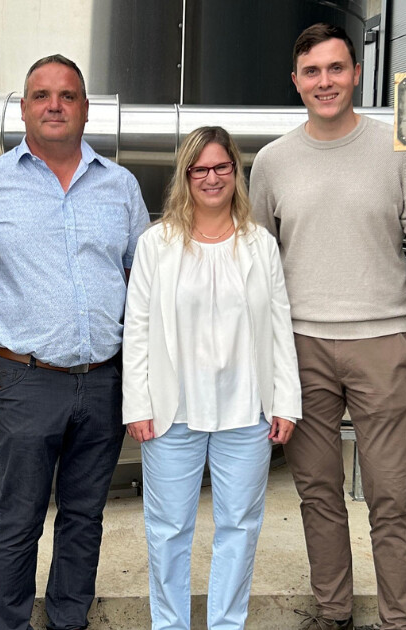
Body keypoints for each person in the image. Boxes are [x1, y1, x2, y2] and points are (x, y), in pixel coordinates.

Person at [248, 23, 406, 630]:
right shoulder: (271, 163)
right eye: (313, 72)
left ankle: (400, 621)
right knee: (317, 493)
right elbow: (258, 266)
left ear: (355, 74)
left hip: (381, 341)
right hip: (301, 347)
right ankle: (333, 613)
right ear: (296, 82)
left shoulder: (399, 150)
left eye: (337, 69)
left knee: (393, 495)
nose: (326, 82)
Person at [0, 54, 149, 630]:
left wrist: (145, 373)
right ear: (23, 108)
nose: (55, 105)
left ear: (84, 108)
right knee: (20, 517)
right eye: (41, 95)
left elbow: (144, 282)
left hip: (105, 379)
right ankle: (12, 623)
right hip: (24, 380)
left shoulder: (120, 186)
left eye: (67, 95)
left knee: (84, 516)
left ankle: (69, 620)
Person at [121, 126, 301, 630]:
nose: (211, 177)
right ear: (185, 176)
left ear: (236, 173)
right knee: (169, 528)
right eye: (200, 168)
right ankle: (171, 624)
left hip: (247, 412)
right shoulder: (156, 244)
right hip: (170, 412)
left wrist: (286, 401)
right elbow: (136, 329)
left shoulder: (259, 244)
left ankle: (226, 623)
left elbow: (279, 327)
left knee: (240, 528)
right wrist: (136, 403)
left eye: (221, 167)